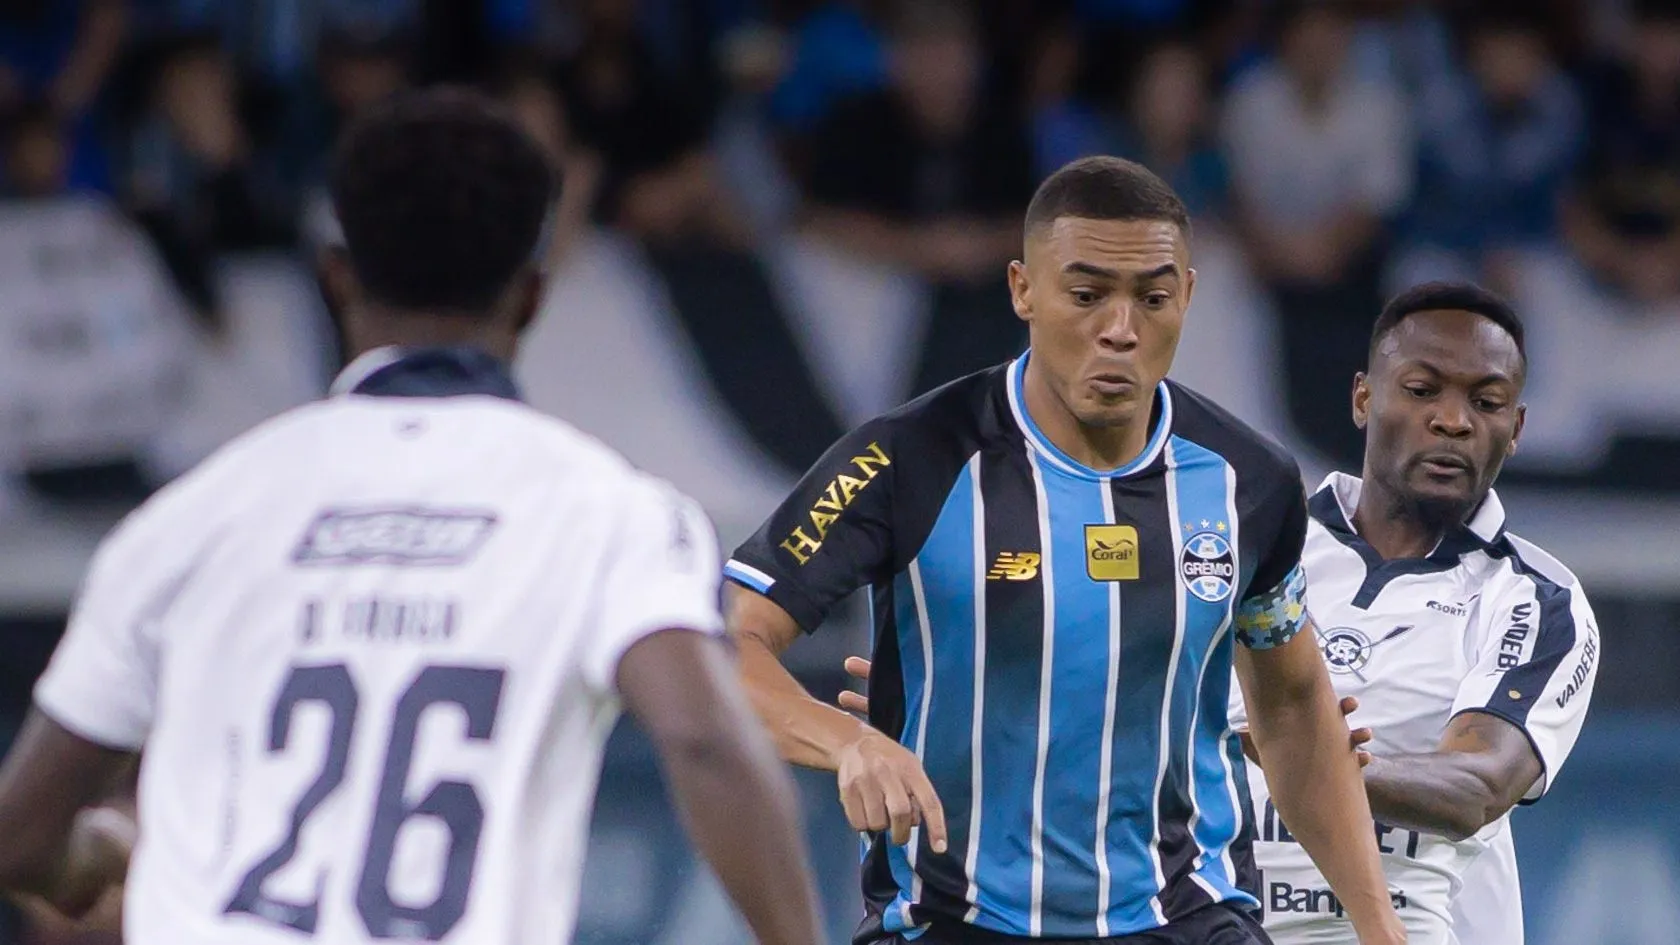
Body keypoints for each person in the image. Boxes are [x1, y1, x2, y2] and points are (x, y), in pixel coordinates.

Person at [0, 88, 824, 945]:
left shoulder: (188, 517)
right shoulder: (611, 510)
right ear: (530, 296)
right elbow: (703, 739)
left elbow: (19, 836)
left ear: (335, 278)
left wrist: (99, 852)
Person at [722, 155, 1405, 945]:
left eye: (1152, 298)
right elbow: (726, 642)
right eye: (1086, 295)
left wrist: (1380, 929)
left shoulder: (1247, 479)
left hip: (1184, 915)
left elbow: (1292, 705)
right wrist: (848, 743)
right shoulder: (909, 457)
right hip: (957, 919)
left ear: (1187, 295)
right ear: (1023, 290)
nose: (1120, 329)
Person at [1233, 282, 1600, 945]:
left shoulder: (1536, 598)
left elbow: (1478, 786)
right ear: (1363, 398)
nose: (1453, 420)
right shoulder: (1250, 552)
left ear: (1515, 429)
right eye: (1423, 389)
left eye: (1486, 402)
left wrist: (1313, 757)